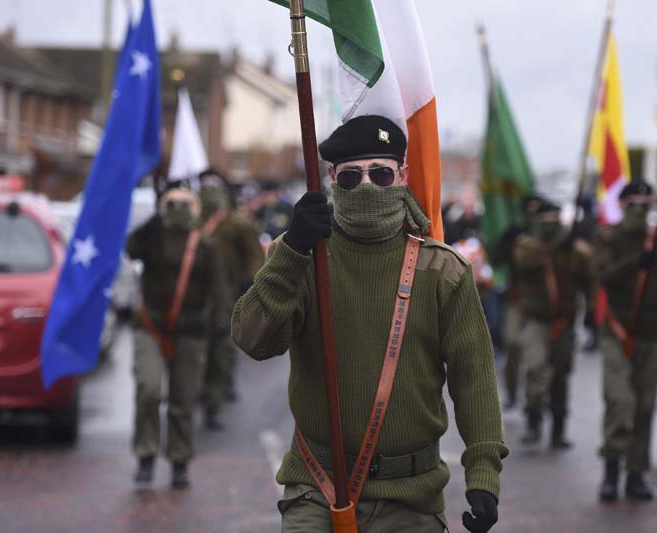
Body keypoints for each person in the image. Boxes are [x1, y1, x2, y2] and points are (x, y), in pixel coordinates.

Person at [233, 115, 508, 532]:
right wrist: (292, 249)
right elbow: (252, 339)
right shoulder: (302, 257)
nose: (364, 186)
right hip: (317, 487)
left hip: (411, 495)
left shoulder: (442, 269)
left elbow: (474, 379)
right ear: (330, 179)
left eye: (380, 174)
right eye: (349, 177)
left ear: (402, 176)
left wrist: (484, 473)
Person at [593, 179, 657, 501]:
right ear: (622, 205)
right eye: (632, 203)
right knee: (620, 402)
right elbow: (603, 275)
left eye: (644, 203)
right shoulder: (609, 238)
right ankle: (611, 470)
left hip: (652, 335)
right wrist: (635, 263)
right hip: (618, 332)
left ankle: (636, 473)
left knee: (645, 407)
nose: (639, 209)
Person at [127, 182, 229, 488]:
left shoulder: (205, 245)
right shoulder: (153, 238)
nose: (179, 210)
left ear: (196, 208)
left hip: (191, 331)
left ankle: (180, 459)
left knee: (182, 399)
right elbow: (130, 249)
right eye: (172, 203)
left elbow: (219, 287)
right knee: (148, 389)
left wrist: (223, 320)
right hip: (151, 327)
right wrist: (154, 221)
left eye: (185, 204)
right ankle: (145, 453)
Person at [513, 199, 596, 449]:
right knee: (535, 368)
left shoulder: (574, 249)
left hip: (564, 321)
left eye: (554, 219)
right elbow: (524, 260)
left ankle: (559, 428)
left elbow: (590, 278)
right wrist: (557, 244)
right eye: (545, 219)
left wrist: (591, 312)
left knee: (561, 374)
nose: (550, 223)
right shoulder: (527, 244)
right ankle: (533, 420)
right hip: (536, 319)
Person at [199, 170, 265, 429]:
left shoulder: (238, 225)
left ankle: (214, 401)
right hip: (197, 296)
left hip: (228, 295)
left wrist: (251, 281)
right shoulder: (195, 225)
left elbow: (253, 256)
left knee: (222, 350)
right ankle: (201, 390)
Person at [489, 195, 542, 409]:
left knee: (536, 360)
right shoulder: (514, 234)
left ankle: (534, 407)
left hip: (539, 305)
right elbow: (497, 258)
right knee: (512, 346)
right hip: (516, 300)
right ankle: (512, 391)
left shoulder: (548, 236)